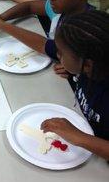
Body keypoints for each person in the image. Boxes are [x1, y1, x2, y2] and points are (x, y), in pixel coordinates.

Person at [41, 11, 109, 160]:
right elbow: (46, 46)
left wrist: (79, 137)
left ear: (88, 64)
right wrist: (72, 69)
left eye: (61, 54)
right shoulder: (90, 64)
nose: (57, 56)